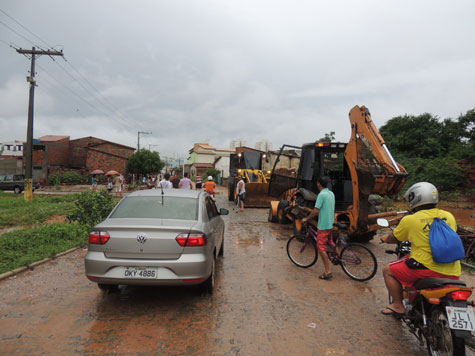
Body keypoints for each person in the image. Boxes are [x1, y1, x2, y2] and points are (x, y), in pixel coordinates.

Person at [380, 182, 460, 316]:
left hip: (424, 269)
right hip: (453, 270)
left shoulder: (410, 220)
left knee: (387, 270)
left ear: (414, 198)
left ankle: (398, 305)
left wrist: (385, 238)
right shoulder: (449, 216)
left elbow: (394, 237)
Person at [301, 176, 335, 280]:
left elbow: (316, 210)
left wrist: (307, 218)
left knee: (321, 248)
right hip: (330, 223)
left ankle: (328, 271)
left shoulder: (321, 194)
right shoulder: (331, 193)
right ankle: (336, 255)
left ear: (319, 184)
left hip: (323, 225)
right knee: (330, 242)